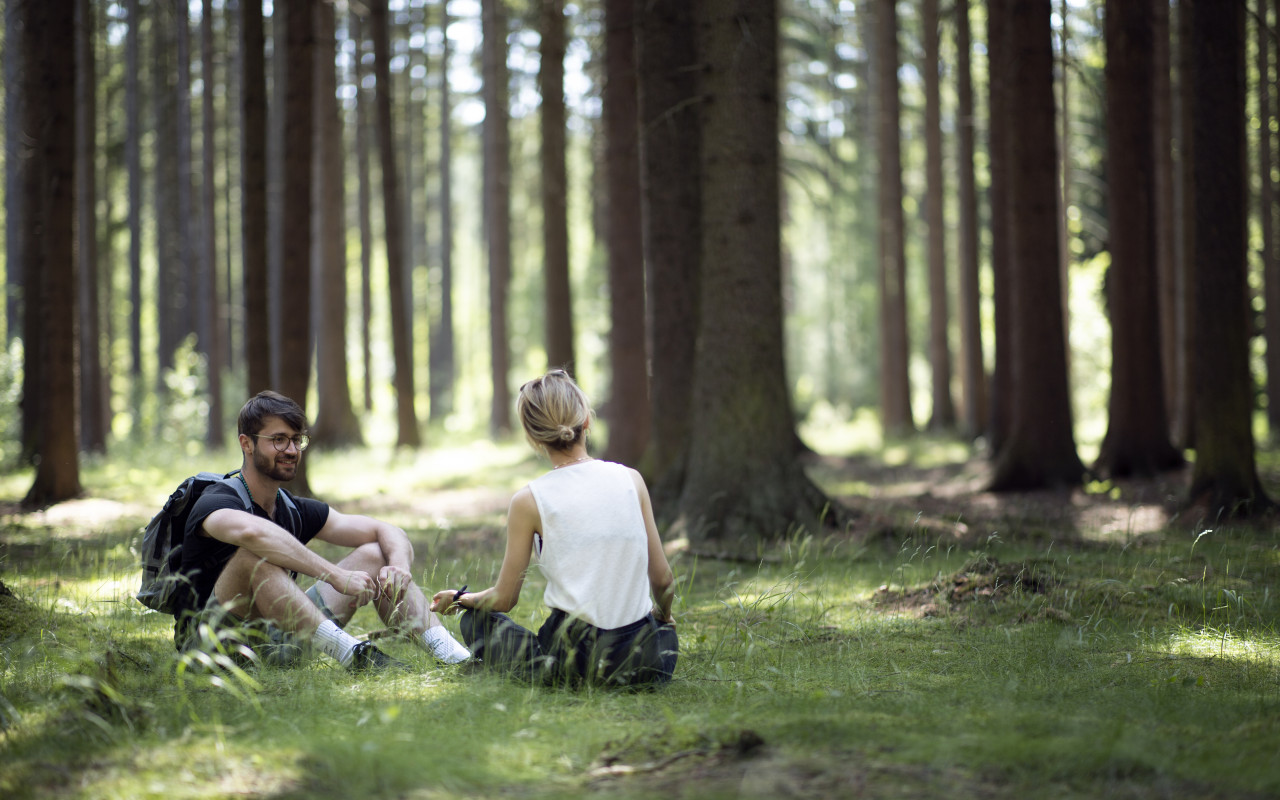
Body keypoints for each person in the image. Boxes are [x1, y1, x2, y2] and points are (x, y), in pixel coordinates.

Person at [174, 390, 471, 671]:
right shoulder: (216, 501)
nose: (291, 450)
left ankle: (457, 658)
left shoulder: (291, 508)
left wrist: (399, 567)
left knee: (376, 553)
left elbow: (386, 530)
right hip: (212, 650)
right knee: (252, 558)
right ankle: (356, 657)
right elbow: (255, 535)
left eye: (296, 440)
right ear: (246, 443)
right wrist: (336, 575)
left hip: (277, 641)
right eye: (278, 440)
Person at [430, 369, 678, 688]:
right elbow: (663, 579)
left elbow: (504, 600)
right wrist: (663, 615)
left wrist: (460, 598)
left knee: (477, 621)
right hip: (644, 661)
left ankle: (556, 678)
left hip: (575, 663)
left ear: (534, 438)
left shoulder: (529, 500)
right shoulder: (631, 479)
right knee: (665, 633)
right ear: (586, 420)